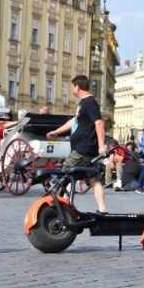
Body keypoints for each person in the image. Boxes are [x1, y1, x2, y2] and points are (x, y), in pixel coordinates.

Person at [46, 75, 108, 214]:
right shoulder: (83, 103)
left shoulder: (90, 103)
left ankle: (62, 205)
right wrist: (57, 131)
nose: (73, 89)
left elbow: (99, 123)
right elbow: (75, 121)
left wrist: (101, 146)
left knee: (66, 171)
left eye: (73, 86)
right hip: (85, 148)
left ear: (77, 87)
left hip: (84, 148)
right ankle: (102, 209)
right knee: (93, 179)